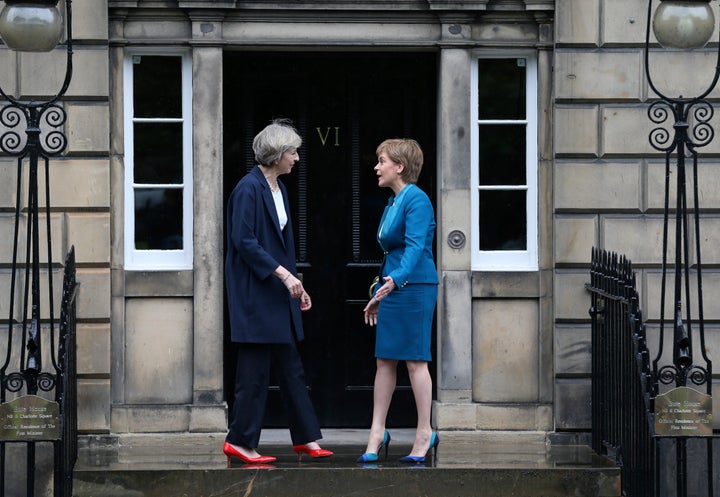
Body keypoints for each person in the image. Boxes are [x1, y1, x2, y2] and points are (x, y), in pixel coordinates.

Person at [224, 119, 332, 465]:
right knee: (254, 371)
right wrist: (285, 276)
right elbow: (244, 241)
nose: (297, 158)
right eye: (293, 152)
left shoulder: (278, 188)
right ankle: (240, 441)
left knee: (290, 367)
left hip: (277, 292)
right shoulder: (247, 188)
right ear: (276, 155)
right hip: (255, 294)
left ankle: (306, 438)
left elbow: (280, 245)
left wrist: (296, 286)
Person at [358, 138, 440, 464]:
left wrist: (395, 282)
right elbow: (391, 252)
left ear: (400, 166)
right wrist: (381, 290)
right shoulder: (393, 202)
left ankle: (424, 433)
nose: (377, 167)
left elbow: (416, 246)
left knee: (415, 360)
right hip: (393, 285)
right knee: (384, 360)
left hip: (415, 286)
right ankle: (377, 431)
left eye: (382, 161)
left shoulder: (417, 200)